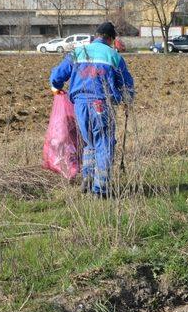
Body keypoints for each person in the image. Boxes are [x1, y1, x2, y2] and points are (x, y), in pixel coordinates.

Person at [50, 22, 134, 198]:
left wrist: (56, 87)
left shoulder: (79, 52)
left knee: (89, 143)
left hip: (79, 105)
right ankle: (101, 190)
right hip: (101, 104)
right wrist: (127, 101)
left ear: (96, 35)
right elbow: (126, 84)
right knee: (104, 143)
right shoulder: (113, 55)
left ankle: (87, 180)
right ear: (111, 39)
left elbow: (57, 76)